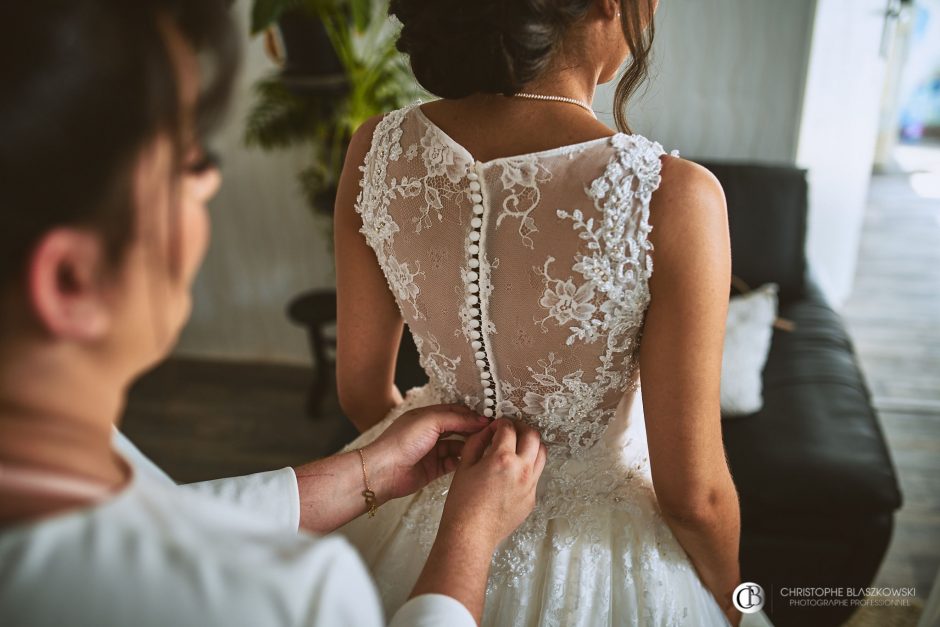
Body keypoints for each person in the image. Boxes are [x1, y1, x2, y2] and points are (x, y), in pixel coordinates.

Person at [0, 2, 547, 626]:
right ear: (71, 280)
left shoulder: (60, 463)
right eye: (190, 165)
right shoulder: (284, 597)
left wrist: (369, 470)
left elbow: (165, 508)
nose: (208, 187)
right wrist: (470, 539)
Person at [332, 0, 777, 625]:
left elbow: (360, 392)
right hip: (600, 553)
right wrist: (735, 603)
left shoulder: (373, 149)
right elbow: (694, 498)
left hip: (427, 504)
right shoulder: (674, 196)